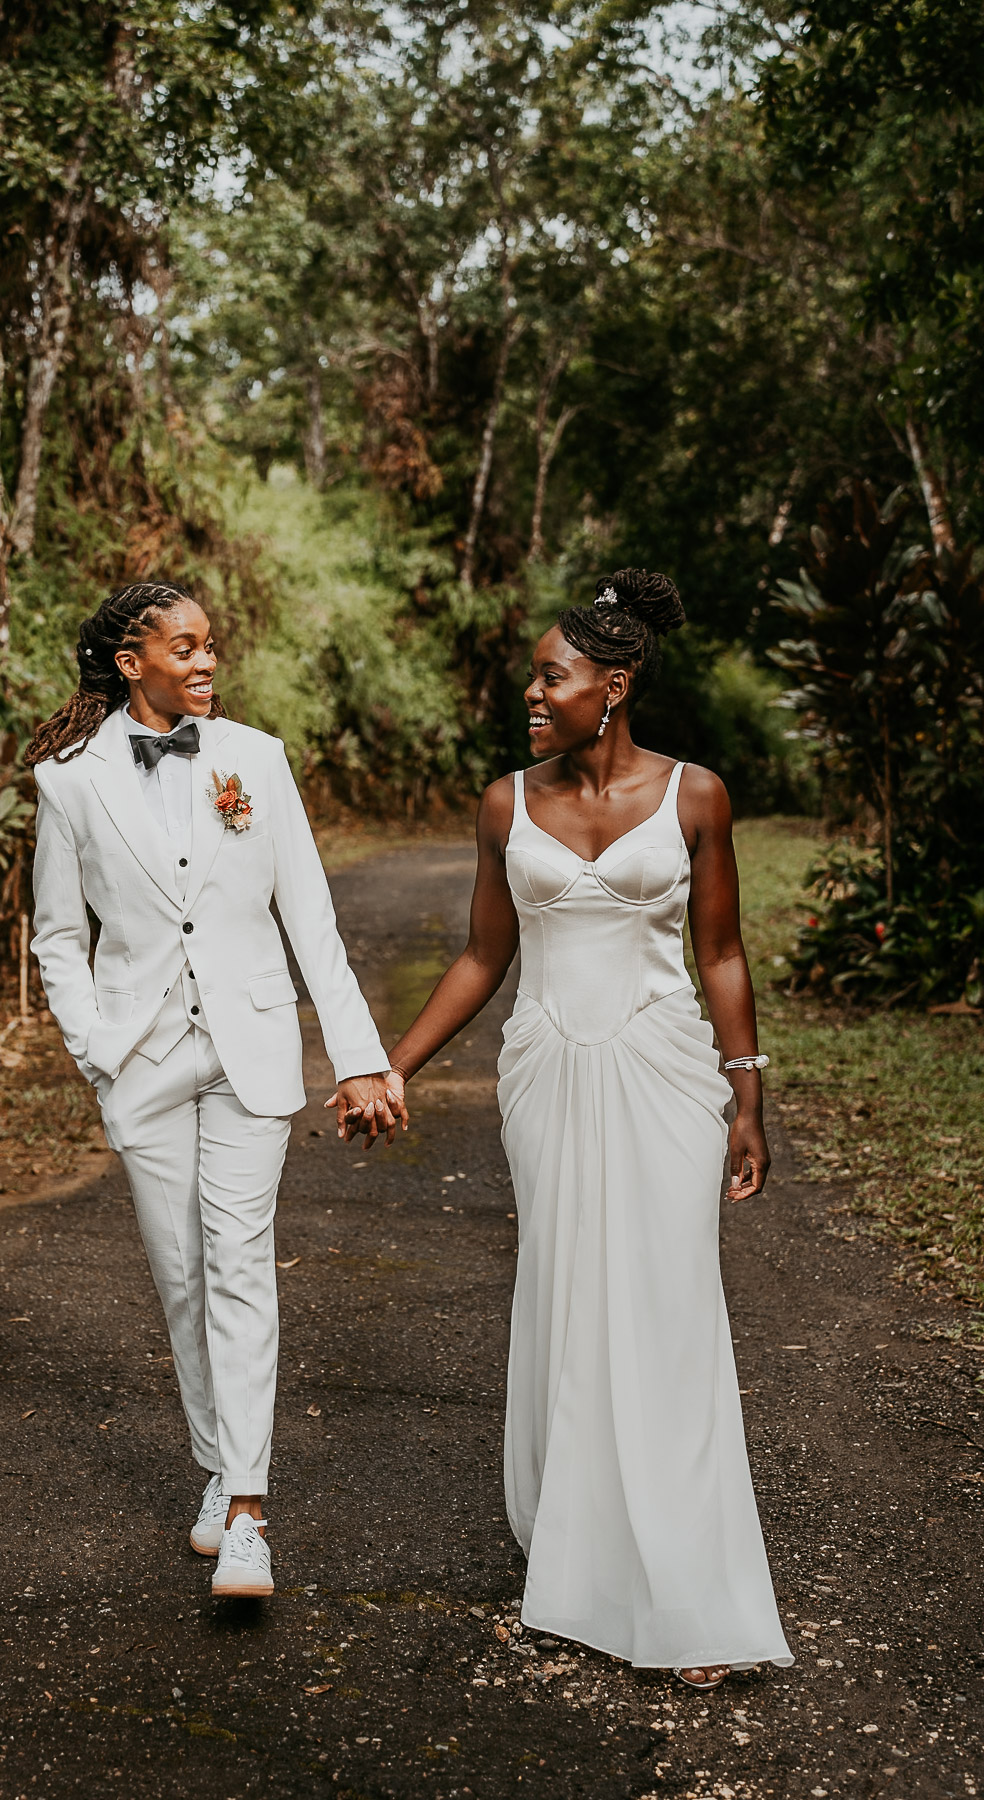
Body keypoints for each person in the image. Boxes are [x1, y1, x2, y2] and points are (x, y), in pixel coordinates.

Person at [373, 569, 792, 1687]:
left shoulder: (696, 795)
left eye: (550, 676)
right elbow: (481, 956)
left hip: (664, 1073)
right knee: (570, 1301)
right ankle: (581, 1565)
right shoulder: (506, 803)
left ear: (611, 685)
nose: (531, 691)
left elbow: (721, 954)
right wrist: (391, 1063)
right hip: (549, 1071)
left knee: (668, 1310)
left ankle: (689, 1593)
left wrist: (746, 1092)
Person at [26, 581, 402, 1600]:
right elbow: (59, 936)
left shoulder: (257, 761)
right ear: (127, 661)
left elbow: (311, 920)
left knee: (238, 1263)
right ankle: (217, 1467)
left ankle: (246, 1508)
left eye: (210, 648)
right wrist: (96, 1045)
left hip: (253, 1050)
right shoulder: (68, 782)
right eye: (182, 649)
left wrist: (357, 1054)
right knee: (182, 1275)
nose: (204, 664)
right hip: (141, 1059)